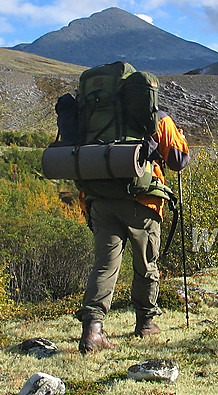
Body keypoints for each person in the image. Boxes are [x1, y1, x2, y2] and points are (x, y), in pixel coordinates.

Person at [77, 110, 190, 353]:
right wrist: (180, 138)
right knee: (145, 264)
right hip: (142, 202)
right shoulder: (157, 117)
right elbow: (178, 160)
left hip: (101, 201)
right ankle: (145, 323)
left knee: (105, 265)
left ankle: (93, 331)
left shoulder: (94, 117)